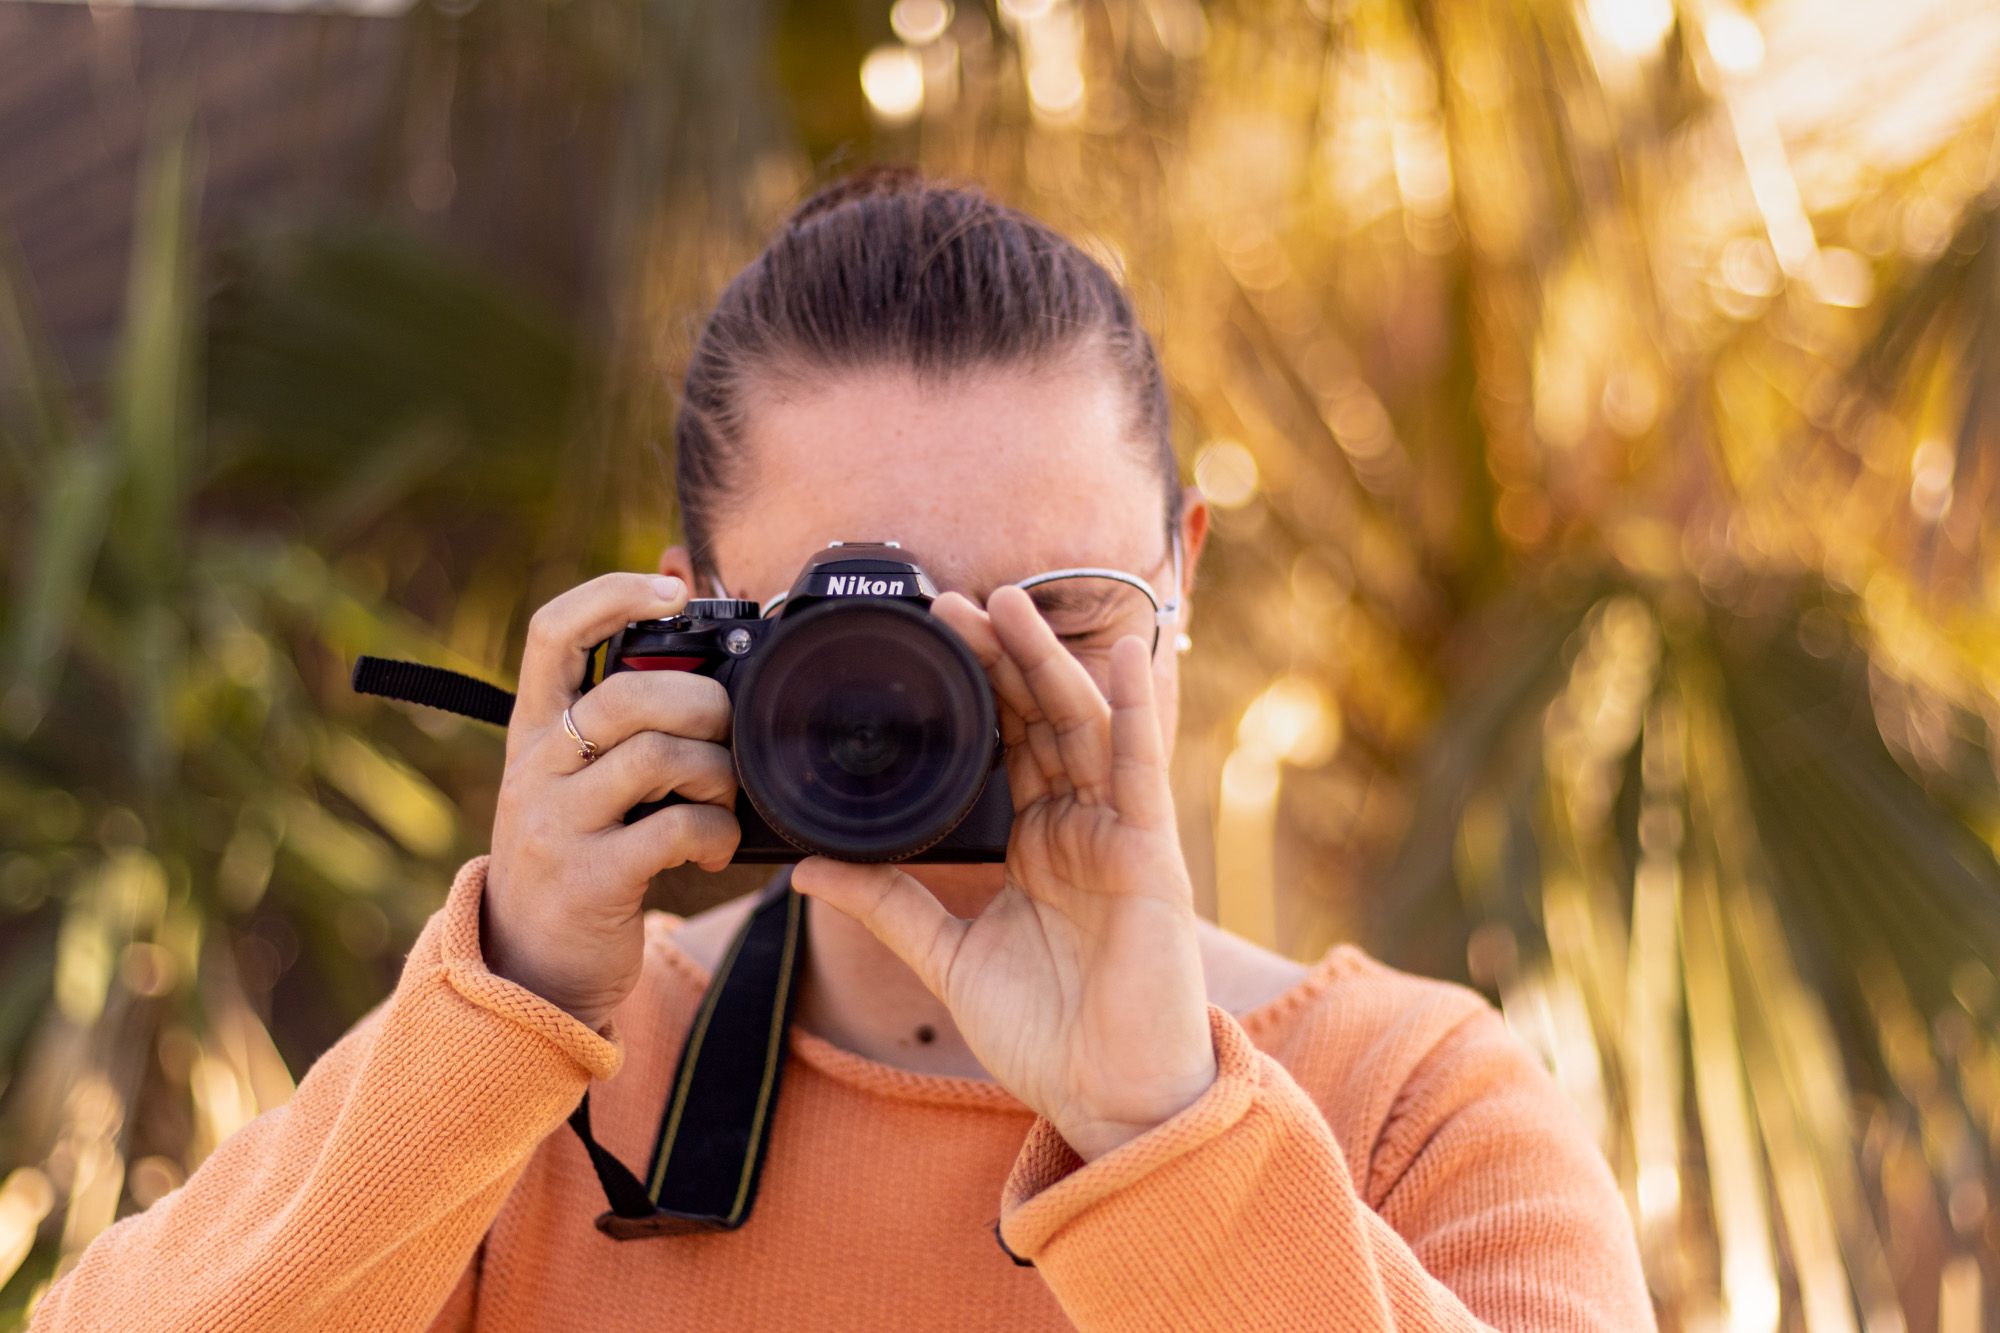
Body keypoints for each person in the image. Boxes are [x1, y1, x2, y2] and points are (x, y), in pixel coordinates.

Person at [30, 167, 1655, 1331]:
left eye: (1057, 616)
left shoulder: (1406, 1105)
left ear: (1182, 581)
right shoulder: (537, 1093)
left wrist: (1164, 1128)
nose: (968, 701)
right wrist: (510, 997)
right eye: (856, 632)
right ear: (688, 630)